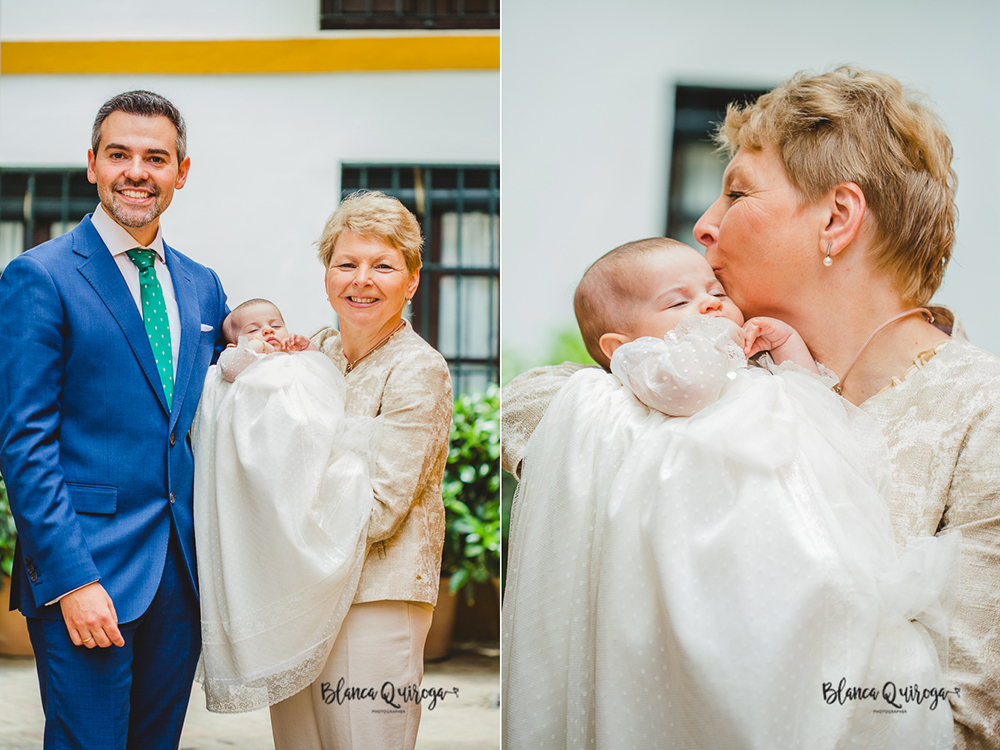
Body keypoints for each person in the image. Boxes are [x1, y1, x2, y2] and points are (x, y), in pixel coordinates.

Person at [501, 66, 1000, 748]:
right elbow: (526, 406)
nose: (704, 226)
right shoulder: (719, 377)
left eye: (736, 192)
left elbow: (967, 719)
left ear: (838, 217)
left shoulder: (980, 412)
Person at [504, 236, 958, 749]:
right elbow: (687, 391)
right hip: (719, 530)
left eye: (713, 289)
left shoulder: (740, 360)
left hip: (807, 512)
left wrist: (784, 344)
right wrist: (715, 339)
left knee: (838, 594)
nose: (709, 304)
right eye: (678, 302)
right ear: (617, 345)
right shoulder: (645, 361)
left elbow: (813, 394)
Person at [0, 90, 228, 749]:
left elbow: (206, 408)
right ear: (93, 165)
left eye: (156, 158)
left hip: (178, 581)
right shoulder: (38, 277)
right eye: (119, 154)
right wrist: (72, 579)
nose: (137, 171)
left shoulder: (202, 285)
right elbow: (24, 443)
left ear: (181, 172)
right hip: (87, 575)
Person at [266, 190, 453, 750]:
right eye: (346, 264)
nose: (361, 280)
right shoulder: (308, 354)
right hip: (300, 594)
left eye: (383, 266)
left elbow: (377, 513)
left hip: (379, 594)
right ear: (326, 274)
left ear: (412, 280)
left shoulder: (418, 369)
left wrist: (278, 499)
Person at [193, 297, 379, 714]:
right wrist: (252, 354)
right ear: (233, 341)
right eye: (254, 328)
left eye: (274, 324)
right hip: (265, 443)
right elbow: (230, 373)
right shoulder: (241, 359)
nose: (268, 333)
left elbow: (325, 383)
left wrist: (303, 352)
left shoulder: (295, 351)